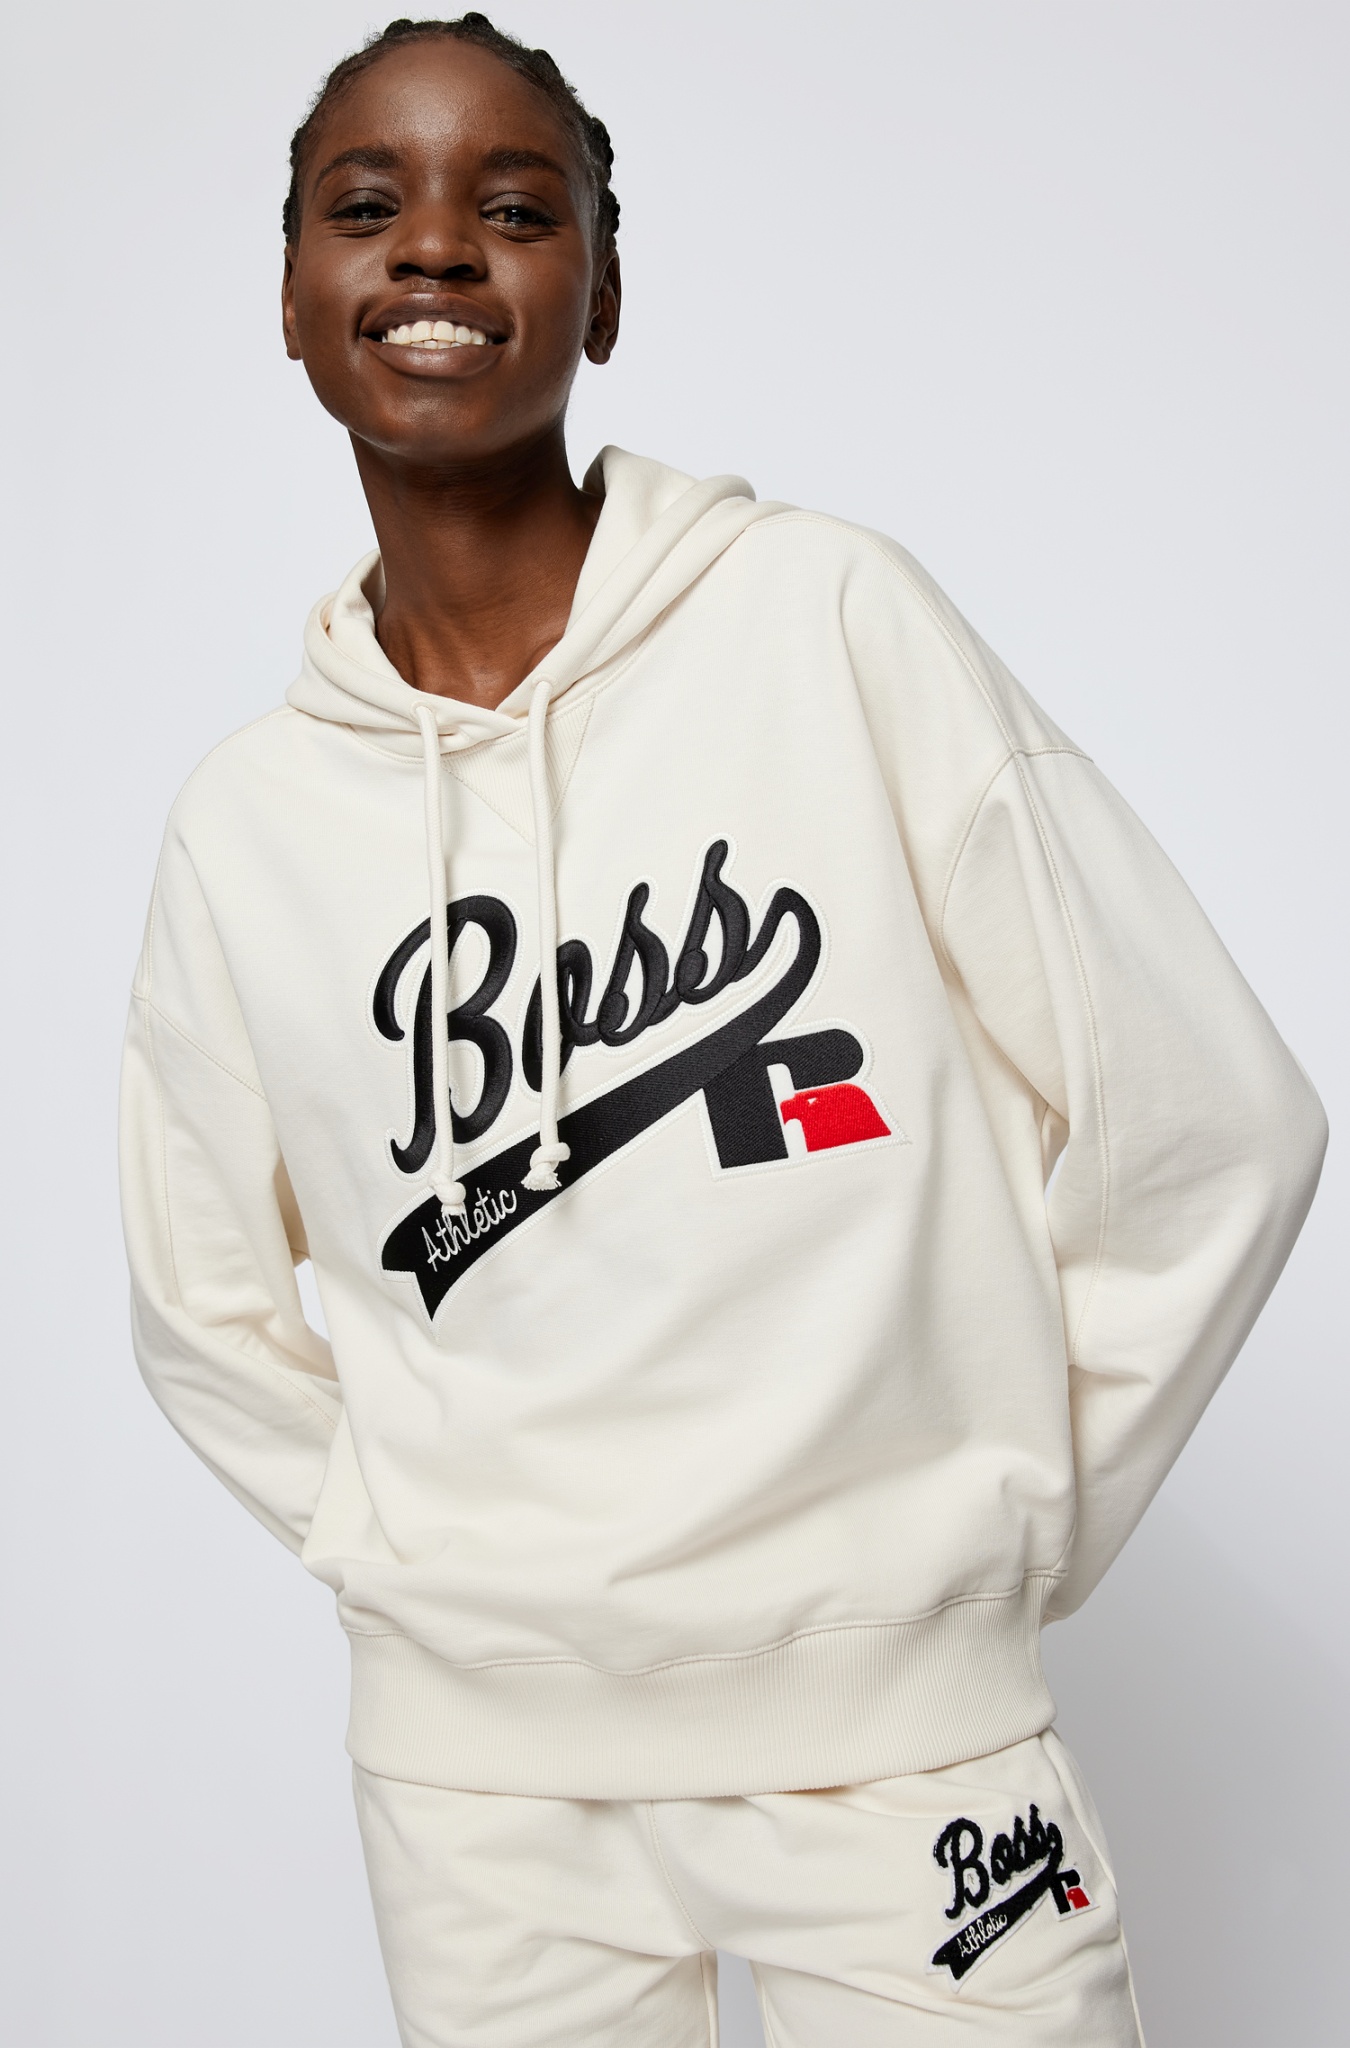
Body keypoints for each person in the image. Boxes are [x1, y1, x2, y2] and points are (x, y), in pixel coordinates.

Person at [119, 15, 1326, 2045]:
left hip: (908, 1757)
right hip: (484, 1802)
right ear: (298, 301)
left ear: (604, 293)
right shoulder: (249, 823)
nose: (436, 247)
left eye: (518, 209)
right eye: (367, 205)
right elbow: (200, 1306)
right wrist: (428, 1570)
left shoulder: (827, 622)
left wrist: (999, 1538)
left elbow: (1211, 1121)